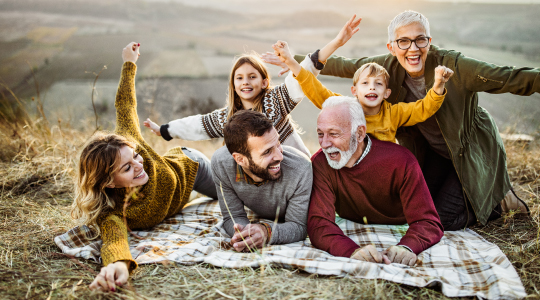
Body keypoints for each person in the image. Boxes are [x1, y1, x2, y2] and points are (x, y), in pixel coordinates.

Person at [264, 11, 534, 230]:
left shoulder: (449, 70)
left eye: (420, 40)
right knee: (415, 209)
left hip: (465, 152)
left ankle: (500, 201)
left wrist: (439, 84)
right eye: (404, 41)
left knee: (443, 221)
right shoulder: (380, 74)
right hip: (432, 154)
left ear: (429, 40)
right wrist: (294, 62)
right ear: (392, 47)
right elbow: (343, 69)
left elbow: (508, 77)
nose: (412, 48)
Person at [70, 43, 216, 292]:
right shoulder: (114, 211)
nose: (139, 165)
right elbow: (114, 240)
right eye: (127, 168)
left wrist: (129, 63)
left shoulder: (127, 139)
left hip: (191, 169)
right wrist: (118, 265)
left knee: (243, 193)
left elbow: (125, 104)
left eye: (136, 156)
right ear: (110, 182)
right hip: (180, 197)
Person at [271, 16, 454, 143]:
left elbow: (423, 108)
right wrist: (292, 62)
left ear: (386, 93)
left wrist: (438, 84)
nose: (371, 88)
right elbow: (315, 89)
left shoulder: (394, 113)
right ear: (354, 91)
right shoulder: (346, 108)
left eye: (378, 84)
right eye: (365, 83)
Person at [309, 96, 443, 266]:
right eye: (320, 134)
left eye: (334, 134)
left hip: (398, 223)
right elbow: (319, 223)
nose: (325, 143)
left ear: (359, 134)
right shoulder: (320, 163)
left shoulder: (401, 160)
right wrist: (352, 250)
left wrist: (407, 247)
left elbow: (428, 221)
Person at [143, 53, 311, 157]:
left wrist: (308, 61)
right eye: (239, 78)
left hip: (299, 174)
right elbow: (198, 125)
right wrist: (165, 130)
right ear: (233, 84)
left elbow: (299, 81)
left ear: (264, 82)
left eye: (252, 76)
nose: (245, 82)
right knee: (222, 156)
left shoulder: (275, 100)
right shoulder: (228, 118)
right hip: (266, 182)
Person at [211, 110, 312, 251]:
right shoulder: (221, 163)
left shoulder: (301, 169)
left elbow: (298, 226)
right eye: (267, 152)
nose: (279, 156)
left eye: (278, 144)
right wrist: (245, 235)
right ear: (240, 159)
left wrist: (266, 232)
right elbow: (232, 216)